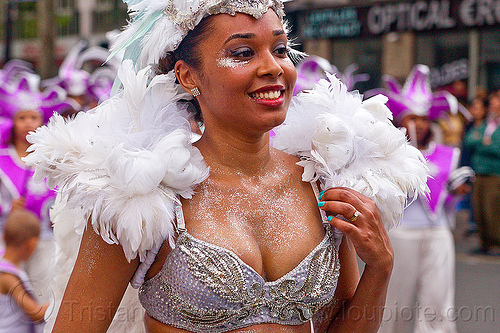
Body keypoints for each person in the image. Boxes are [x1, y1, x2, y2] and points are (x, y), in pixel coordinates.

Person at [25, 1, 428, 332]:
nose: (273, 67)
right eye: (242, 53)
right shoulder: (141, 193)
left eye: (281, 49)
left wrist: (380, 267)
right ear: (187, 75)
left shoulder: (322, 180)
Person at [375, 65, 473, 333]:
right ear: (399, 120)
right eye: (412, 118)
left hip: (438, 232)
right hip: (402, 233)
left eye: (423, 119)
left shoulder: (446, 154)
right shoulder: (387, 154)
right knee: (395, 302)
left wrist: (456, 192)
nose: (418, 124)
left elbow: (446, 204)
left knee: (439, 303)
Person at [0, 72, 70, 301]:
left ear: (42, 121)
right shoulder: (2, 159)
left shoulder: (54, 160)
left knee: (43, 299)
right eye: (22, 117)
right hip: (6, 243)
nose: (28, 123)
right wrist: (7, 211)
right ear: (13, 121)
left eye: (33, 117)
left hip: (44, 243)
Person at [0, 209, 50, 333]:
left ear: (4, 236)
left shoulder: (5, 266)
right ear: (32, 244)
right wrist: (61, 301)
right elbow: (36, 313)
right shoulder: (8, 278)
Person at [463, 92, 500, 255]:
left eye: (496, 102)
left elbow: (496, 148)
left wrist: (483, 144)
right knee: (479, 210)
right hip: (478, 172)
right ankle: (485, 243)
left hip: (494, 173)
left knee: (492, 209)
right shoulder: (486, 124)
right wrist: (485, 143)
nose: (492, 105)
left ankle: (496, 243)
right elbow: (469, 140)